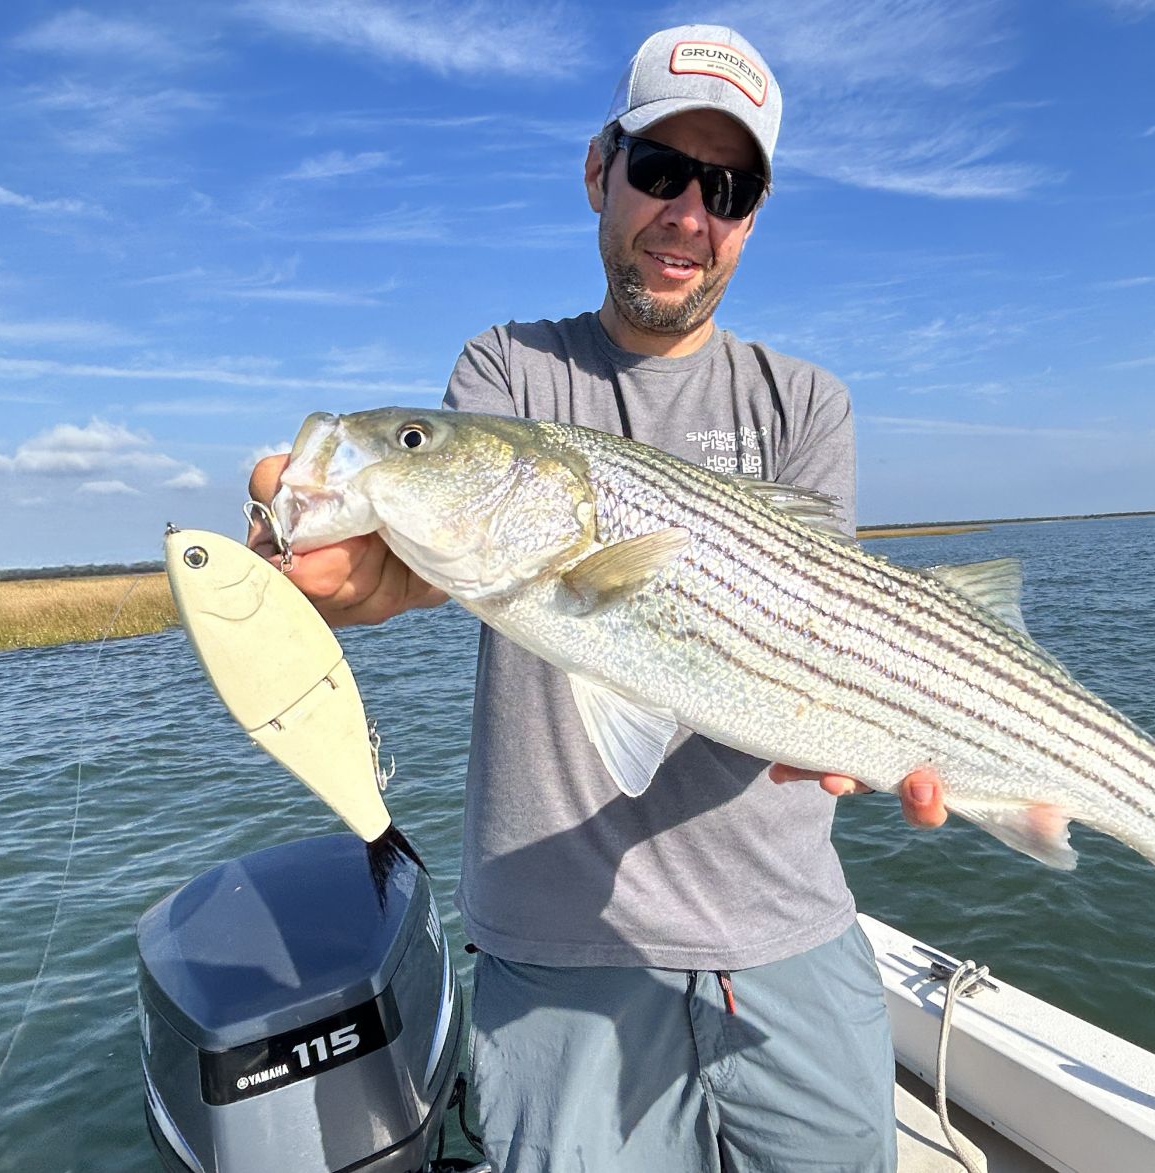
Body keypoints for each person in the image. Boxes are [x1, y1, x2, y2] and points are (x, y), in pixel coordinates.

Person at [250, 24, 946, 1172]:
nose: (687, 214)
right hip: (556, 951)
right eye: (661, 170)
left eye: (727, 187)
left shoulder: (805, 402)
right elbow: (423, 562)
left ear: (752, 215)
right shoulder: (510, 372)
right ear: (598, 172)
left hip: (790, 931)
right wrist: (350, 572)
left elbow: (829, 626)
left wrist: (867, 726)